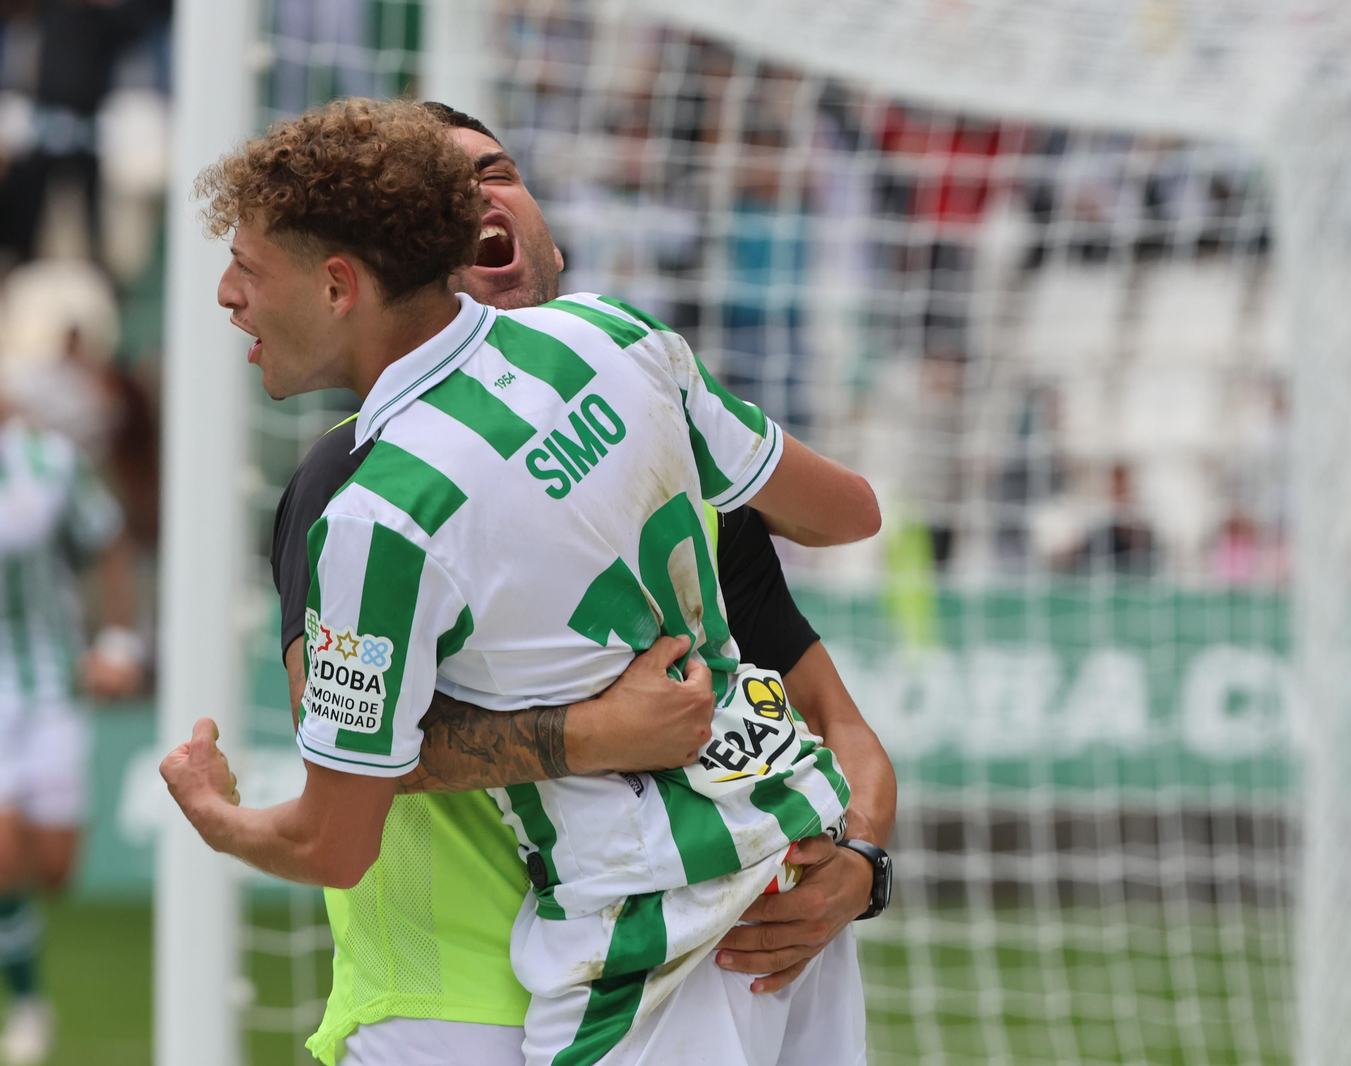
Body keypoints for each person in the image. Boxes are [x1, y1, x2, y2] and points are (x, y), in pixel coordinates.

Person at [159, 98, 883, 1065]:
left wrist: (214, 814)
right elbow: (850, 513)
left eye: (247, 268)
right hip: (772, 866)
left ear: (340, 283)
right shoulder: (621, 342)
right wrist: (603, 729)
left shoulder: (379, 512)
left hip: (619, 946)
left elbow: (337, 820)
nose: (226, 295)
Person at [0, 402, 142, 1065]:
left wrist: (117, 642)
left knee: (55, 869)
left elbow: (108, 539)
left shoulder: (47, 462)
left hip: (52, 687)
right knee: (3, 858)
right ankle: (30, 1004)